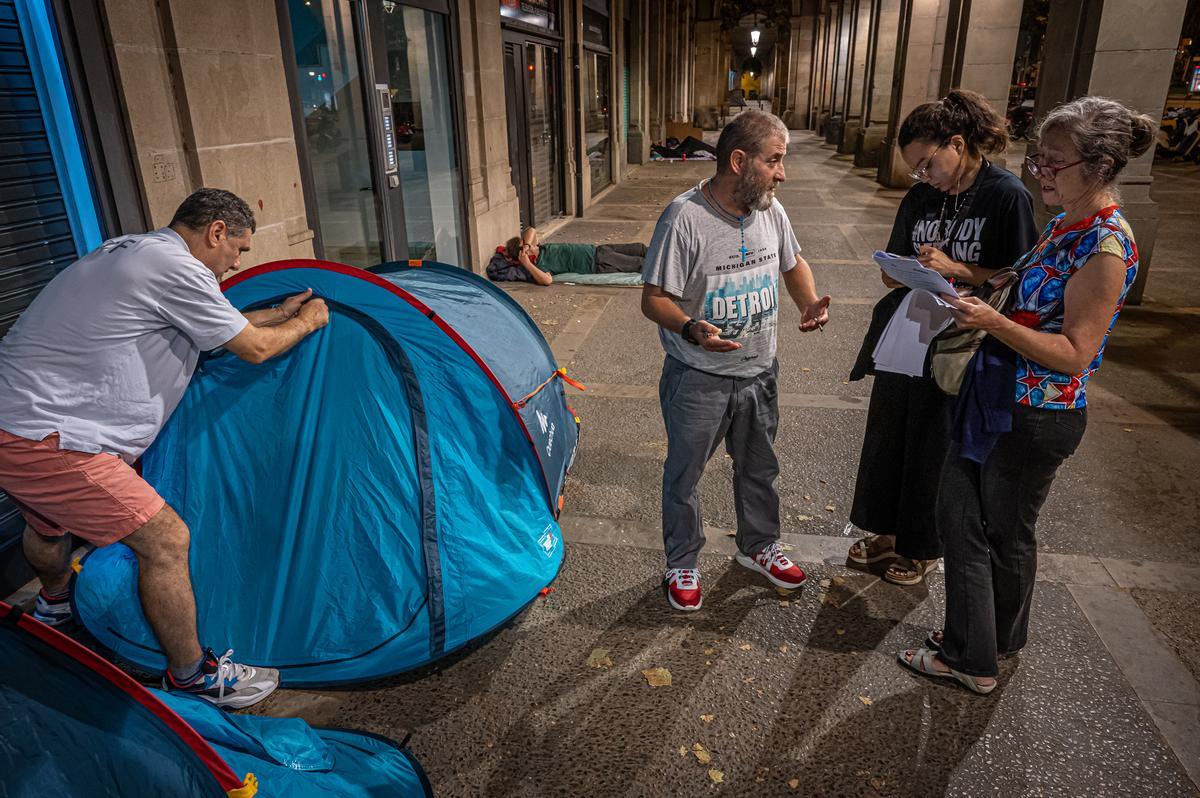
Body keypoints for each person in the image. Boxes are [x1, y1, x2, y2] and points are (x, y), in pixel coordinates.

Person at [0, 188, 329, 709]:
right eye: (238, 250)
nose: (236, 263)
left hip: (14, 423)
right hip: (51, 439)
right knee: (167, 540)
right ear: (216, 231)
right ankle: (192, 676)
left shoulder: (130, 250)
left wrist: (276, 311)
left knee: (45, 522)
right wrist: (307, 321)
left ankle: (56, 607)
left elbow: (218, 329)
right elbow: (254, 349)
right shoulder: (178, 269)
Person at [898, 97, 1155, 693]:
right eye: (1039, 159)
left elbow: (1074, 354)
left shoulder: (1105, 244)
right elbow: (1024, 296)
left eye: (1055, 163)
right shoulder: (1069, 223)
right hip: (1007, 401)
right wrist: (974, 292)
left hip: (1033, 412)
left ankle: (970, 660)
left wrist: (992, 323)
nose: (1040, 172)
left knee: (963, 520)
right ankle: (997, 638)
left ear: (1102, 163)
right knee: (1007, 532)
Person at [640, 110, 830, 612]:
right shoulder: (685, 217)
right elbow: (654, 299)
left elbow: (793, 263)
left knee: (759, 467)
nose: (782, 173)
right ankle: (682, 559)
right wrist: (691, 328)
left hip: (760, 371)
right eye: (774, 161)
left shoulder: (770, 210)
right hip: (698, 378)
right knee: (685, 476)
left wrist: (807, 302)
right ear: (739, 160)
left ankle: (759, 546)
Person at [846, 90, 1037, 586]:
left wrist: (958, 269)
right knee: (890, 434)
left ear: (958, 143)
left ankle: (921, 547)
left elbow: (1022, 274)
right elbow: (893, 265)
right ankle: (885, 532)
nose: (922, 177)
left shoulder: (1005, 194)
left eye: (927, 165)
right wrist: (904, 270)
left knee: (934, 440)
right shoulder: (921, 197)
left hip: (964, 338)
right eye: (915, 170)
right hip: (909, 330)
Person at [486, 227, 647, 286]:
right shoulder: (539, 266)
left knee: (639, 248)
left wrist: (527, 246)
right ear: (525, 255)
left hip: (599, 250)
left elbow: (532, 230)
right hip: (598, 263)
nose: (534, 245)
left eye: (532, 245)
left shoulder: (538, 249)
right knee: (641, 263)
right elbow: (547, 280)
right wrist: (527, 263)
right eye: (530, 247)